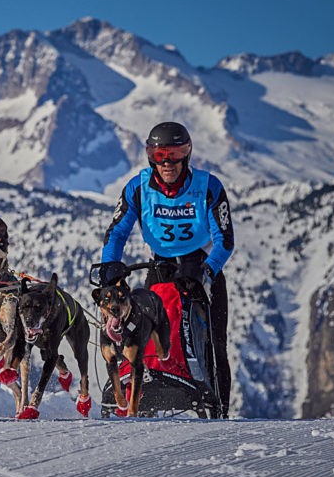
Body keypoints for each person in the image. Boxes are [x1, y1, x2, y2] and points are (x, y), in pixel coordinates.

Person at [100, 122, 234, 416]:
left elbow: (224, 240)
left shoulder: (208, 186)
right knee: (146, 328)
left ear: (187, 154)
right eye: (159, 154)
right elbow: (117, 232)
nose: (167, 162)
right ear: (150, 156)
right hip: (159, 266)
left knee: (215, 344)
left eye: (174, 154)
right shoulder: (138, 187)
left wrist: (206, 272)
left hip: (200, 267)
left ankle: (221, 409)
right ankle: (145, 385)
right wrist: (110, 264)